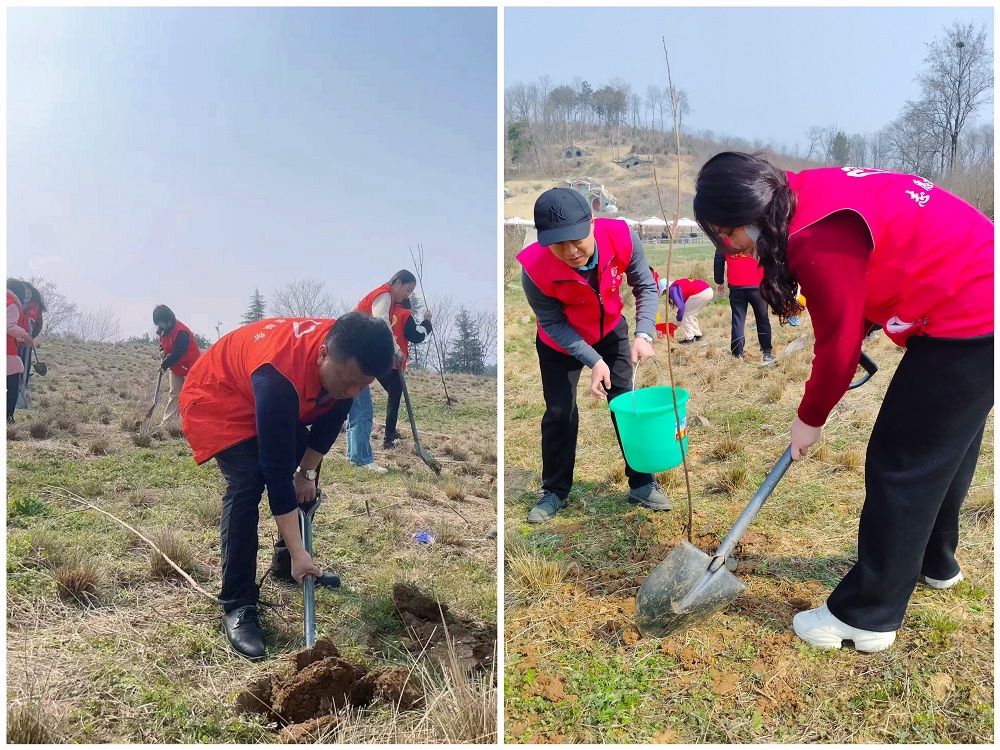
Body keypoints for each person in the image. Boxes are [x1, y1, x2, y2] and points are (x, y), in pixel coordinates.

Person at [693, 152, 993, 652]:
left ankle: (866, 615)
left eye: (728, 233)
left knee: (902, 464)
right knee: (945, 450)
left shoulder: (814, 236)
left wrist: (809, 418)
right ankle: (934, 561)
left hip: (972, 308)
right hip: (980, 284)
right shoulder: (803, 190)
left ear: (751, 213)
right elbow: (876, 257)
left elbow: (838, 349)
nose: (730, 246)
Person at [179, 313, 394, 659]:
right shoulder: (278, 377)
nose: (354, 392)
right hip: (218, 397)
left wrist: (306, 474)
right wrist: (299, 550)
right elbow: (276, 471)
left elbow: (328, 423)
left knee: (305, 468)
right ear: (323, 354)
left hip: (258, 394)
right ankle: (238, 602)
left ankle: (288, 566)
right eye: (350, 381)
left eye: (363, 385)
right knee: (249, 480)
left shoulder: (347, 352)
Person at [518, 187, 671, 524]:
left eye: (577, 240)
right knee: (560, 412)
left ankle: (642, 483)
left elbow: (645, 285)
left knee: (627, 405)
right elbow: (552, 323)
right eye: (558, 244)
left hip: (610, 329)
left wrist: (644, 334)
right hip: (559, 343)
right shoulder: (533, 269)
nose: (571, 251)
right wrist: (594, 361)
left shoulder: (622, 238)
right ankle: (555, 491)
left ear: (591, 223)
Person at [345, 271, 417, 472]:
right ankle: (361, 459)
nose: (407, 295)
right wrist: (395, 349)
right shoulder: (384, 295)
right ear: (398, 282)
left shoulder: (384, 297)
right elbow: (382, 323)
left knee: (358, 410)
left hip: (352, 354)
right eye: (408, 290)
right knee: (363, 411)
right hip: (354, 356)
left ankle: (355, 456)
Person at [383, 297, 433, 449]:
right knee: (394, 401)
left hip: (379, 362)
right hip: (394, 364)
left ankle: (392, 431)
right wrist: (427, 322)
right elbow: (416, 336)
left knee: (392, 396)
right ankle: (388, 439)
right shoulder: (405, 314)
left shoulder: (386, 313)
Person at [714, 241, 775, 364]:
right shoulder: (754, 235)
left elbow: (718, 260)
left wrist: (719, 281)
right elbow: (769, 257)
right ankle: (767, 352)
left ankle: (737, 354)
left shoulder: (724, 238)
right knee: (762, 319)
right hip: (758, 285)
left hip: (736, 285)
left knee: (738, 320)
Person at [152, 305, 202, 427]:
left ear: (169, 321)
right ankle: (167, 423)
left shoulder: (182, 333)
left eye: (161, 323)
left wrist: (164, 365)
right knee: (174, 393)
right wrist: (162, 348)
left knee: (191, 395)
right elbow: (165, 342)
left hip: (191, 367)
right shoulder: (163, 330)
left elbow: (177, 353)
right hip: (176, 367)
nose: (159, 326)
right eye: (158, 323)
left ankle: (194, 424)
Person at [6, 279, 32, 423]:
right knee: (12, 385)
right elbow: (8, 326)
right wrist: (24, 334)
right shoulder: (12, 305)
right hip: (6, 352)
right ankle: (8, 416)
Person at [668, 277, 715, 344]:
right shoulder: (678, 284)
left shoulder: (673, 288)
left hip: (701, 292)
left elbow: (681, 307)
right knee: (691, 313)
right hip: (708, 290)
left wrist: (678, 321)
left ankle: (689, 338)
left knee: (686, 314)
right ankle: (697, 335)